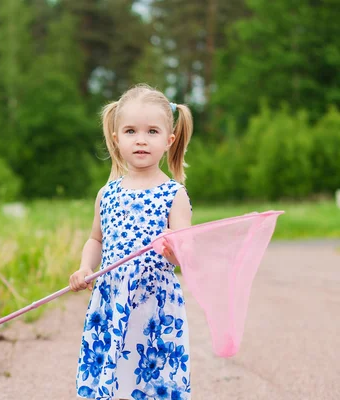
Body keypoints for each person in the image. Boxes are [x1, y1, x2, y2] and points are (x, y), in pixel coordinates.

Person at [69, 84, 193, 400]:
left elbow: (186, 255)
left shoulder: (173, 195)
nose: (140, 139)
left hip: (155, 302)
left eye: (152, 131)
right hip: (111, 301)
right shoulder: (107, 193)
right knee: (110, 378)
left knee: (152, 379)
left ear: (169, 140)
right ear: (116, 138)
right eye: (130, 131)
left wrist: (173, 250)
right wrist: (85, 267)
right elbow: (95, 239)